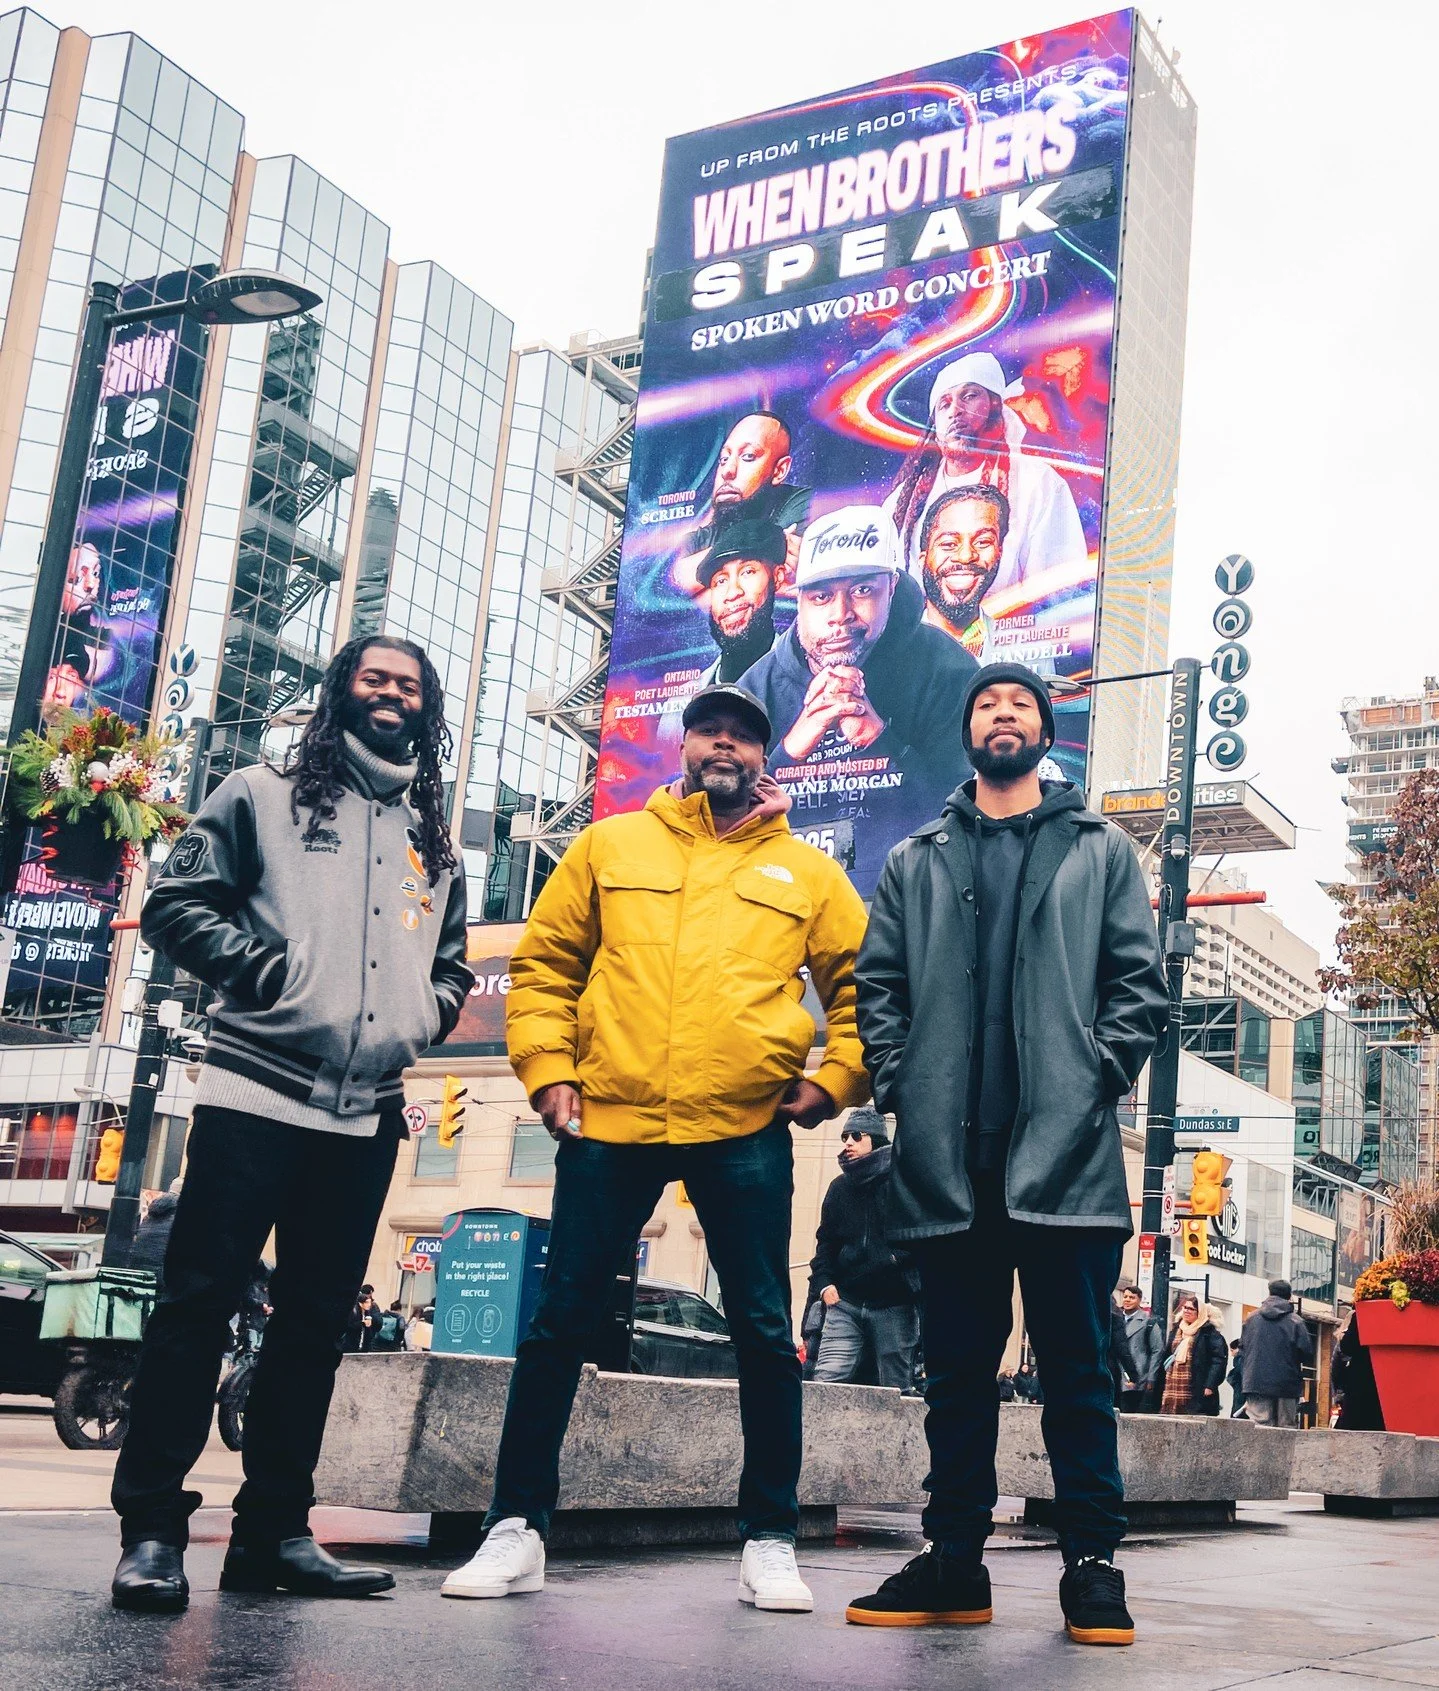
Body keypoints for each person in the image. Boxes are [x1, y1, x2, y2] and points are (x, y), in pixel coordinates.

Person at [440, 682, 869, 1611]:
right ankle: (514, 1529)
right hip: (611, 1118)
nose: (724, 745)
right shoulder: (609, 844)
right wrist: (547, 1070)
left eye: (742, 736)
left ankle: (769, 1539)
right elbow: (545, 966)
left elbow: (862, 989)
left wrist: (835, 1080)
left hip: (743, 1124)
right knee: (559, 1323)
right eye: (709, 730)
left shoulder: (808, 872)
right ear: (684, 746)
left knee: (763, 1331)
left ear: (764, 757)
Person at [109, 635, 473, 1614]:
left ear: (426, 707)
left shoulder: (433, 837)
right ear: (341, 689)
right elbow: (177, 904)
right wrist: (272, 975)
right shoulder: (257, 794)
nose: (390, 693)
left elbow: (451, 963)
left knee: (313, 1330)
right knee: (195, 1311)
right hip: (254, 1094)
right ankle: (152, 1531)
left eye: (408, 684)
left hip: (364, 1115)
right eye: (374, 677)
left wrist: (423, 1013)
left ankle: (273, 1532)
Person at [846, 662, 1166, 1645]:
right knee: (954, 1375)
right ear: (967, 728)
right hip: (947, 1167)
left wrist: (1092, 1077)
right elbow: (877, 985)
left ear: (1044, 730)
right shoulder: (916, 857)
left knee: (1076, 1372)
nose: (1001, 713)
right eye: (986, 702)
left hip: (1065, 1160)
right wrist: (899, 1079)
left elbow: (1137, 984)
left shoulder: (1099, 848)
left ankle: (1092, 1564)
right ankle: (953, 1559)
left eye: (1019, 703)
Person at [738, 506, 978, 888]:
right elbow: (722, 833)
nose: (841, 614)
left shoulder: (947, 669)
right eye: (821, 596)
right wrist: (788, 753)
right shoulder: (755, 690)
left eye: (862, 590)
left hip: (911, 897)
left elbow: (969, 819)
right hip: (784, 900)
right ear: (798, 599)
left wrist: (880, 740)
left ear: (892, 587)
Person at [885, 350, 1087, 584]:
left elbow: (1056, 590)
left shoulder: (1038, 483)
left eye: (969, 396)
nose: (955, 411)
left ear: (996, 409)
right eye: (944, 404)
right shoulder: (904, 501)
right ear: (935, 430)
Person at [807, 1107, 919, 1389]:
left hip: (894, 1303)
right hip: (846, 1302)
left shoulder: (902, 1182)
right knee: (827, 1381)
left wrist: (899, 1267)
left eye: (857, 1136)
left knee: (895, 1387)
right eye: (845, 1136)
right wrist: (824, 1284)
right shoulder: (839, 1188)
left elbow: (919, 1238)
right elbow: (826, 1244)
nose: (848, 1142)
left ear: (876, 1139)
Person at [688, 411, 809, 569]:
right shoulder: (698, 539)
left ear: (779, 471)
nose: (727, 471)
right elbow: (671, 573)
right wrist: (768, 546)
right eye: (724, 459)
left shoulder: (803, 503)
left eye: (748, 456)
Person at [695, 520, 790, 685]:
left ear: (777, 577)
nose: (732, 593)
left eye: (747, 572)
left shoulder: (812, 682)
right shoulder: (685, 697)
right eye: (720, 581)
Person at [1240, 1278, 1314, 1428]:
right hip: (1287, 1383)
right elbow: (1307, 1354)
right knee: (1286, 1428)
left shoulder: (1251, 1319)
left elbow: (1242, 1349)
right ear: (1289, 1296)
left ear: (1269, 1293)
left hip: (1256, 1381)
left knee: (1260, 1428)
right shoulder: (1296, 1322)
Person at [1159, 1295, 1227, 1416]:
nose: (1186, 1311)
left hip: (1197, 1384)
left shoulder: (1209, 1332)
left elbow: (1218, 1361)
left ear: (1200, 1312)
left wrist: (1210, 1385)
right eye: (1185, 1307)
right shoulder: (1177, 1329)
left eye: (1191, 1309)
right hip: (1173, 1382)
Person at [1115, 1284, 1164, 1413]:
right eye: (1125, 1296)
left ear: (1139, 1300)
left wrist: (1151, 1377)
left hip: (1137, 1373)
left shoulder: (1148, 1322)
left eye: (1132, 1297)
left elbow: (1157, 1350)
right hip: (1115, 1371)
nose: (1127, 1300)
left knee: (1129, 1410)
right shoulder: (1115, 1317)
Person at [1227, 1340, 1247, 1418]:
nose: (1231, 1354)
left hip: (1241, 1392)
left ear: (1238, 1348)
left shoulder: (1239, 1359)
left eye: (1232, 1350)